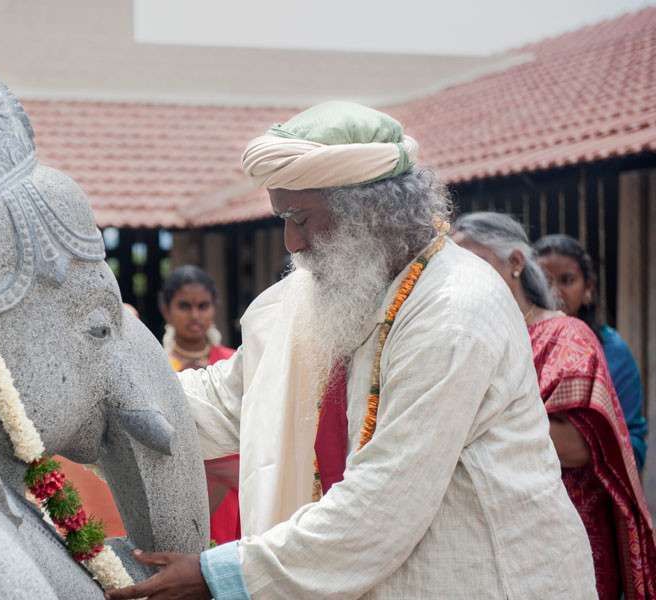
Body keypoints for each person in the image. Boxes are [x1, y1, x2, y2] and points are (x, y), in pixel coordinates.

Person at [107, 101, 596, 600]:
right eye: (282, 217)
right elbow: (229, 397)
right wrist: (107, 393)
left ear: (373, 213)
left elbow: (385, 503)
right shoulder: (325, 295)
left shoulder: (454, 310)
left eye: (302, 217)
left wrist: (220, 575)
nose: (290, 241)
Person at [452, 212, 655, 600]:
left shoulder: (565, 334)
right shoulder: (471, 339)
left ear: (514, 263)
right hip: (493, 537)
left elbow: (580, 447)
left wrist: (466, 419)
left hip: (563, 538)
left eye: (473, 263)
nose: (462, 277)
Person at [534, 233, 648, 470]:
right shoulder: (521, 343)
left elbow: (632, 441)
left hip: (591, 490)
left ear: (588, 289)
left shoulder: (611, 351)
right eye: (545, 281)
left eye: (567, 280)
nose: (554, 292)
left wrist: (587, 445)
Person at [159, 265, 239, 544]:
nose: (195, 315)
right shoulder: (156, 368)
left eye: (203, 306)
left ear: (214, 308)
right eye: (184, 306)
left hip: (232, 494)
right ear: (166, 309)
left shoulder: (233, 365)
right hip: (178, 490)